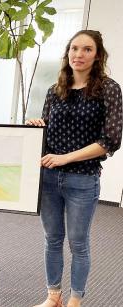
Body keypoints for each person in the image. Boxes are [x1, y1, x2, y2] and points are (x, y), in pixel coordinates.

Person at [27, 30, 122, 307]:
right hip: (49, 177)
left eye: (87, 49)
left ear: (98, 55)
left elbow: (110, 141)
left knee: (78, 244)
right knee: (52, 239)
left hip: (83, 179)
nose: (79, 55)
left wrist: (66, 158)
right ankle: (53, 296)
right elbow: (48, 131)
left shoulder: (109, 89)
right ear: (67, 53)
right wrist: (37, 128)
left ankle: (75, 300)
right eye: (74, 48)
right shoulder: (55, 90)